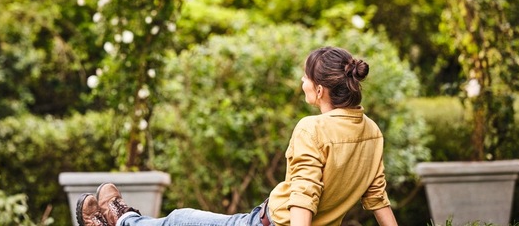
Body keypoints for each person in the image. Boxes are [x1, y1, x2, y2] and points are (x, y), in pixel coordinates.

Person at [76, 46, 399, 226]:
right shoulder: (371, 130)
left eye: (305, 76)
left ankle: (123, 222)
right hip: (266, 218)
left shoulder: (312, 128)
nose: (301, 81)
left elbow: (305, 195)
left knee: (180, 219)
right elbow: (376, 196)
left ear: (319, 89)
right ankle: (123, 220)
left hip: (269, 225)